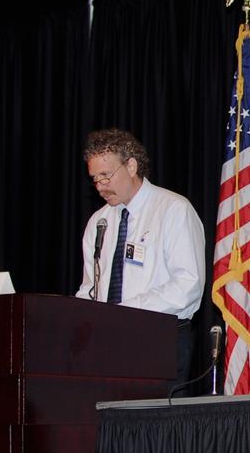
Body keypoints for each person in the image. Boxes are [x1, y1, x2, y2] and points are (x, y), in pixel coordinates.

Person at [76, 128, 206, 382]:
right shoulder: (98, 222)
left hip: (160, 340)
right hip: (107, 343)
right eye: (95, 179)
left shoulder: (173, 210)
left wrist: (126, 312)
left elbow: (188, 285)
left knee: (150, 419)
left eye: (106, 175)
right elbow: (90, 288)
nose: (100, 186)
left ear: (132, 166)